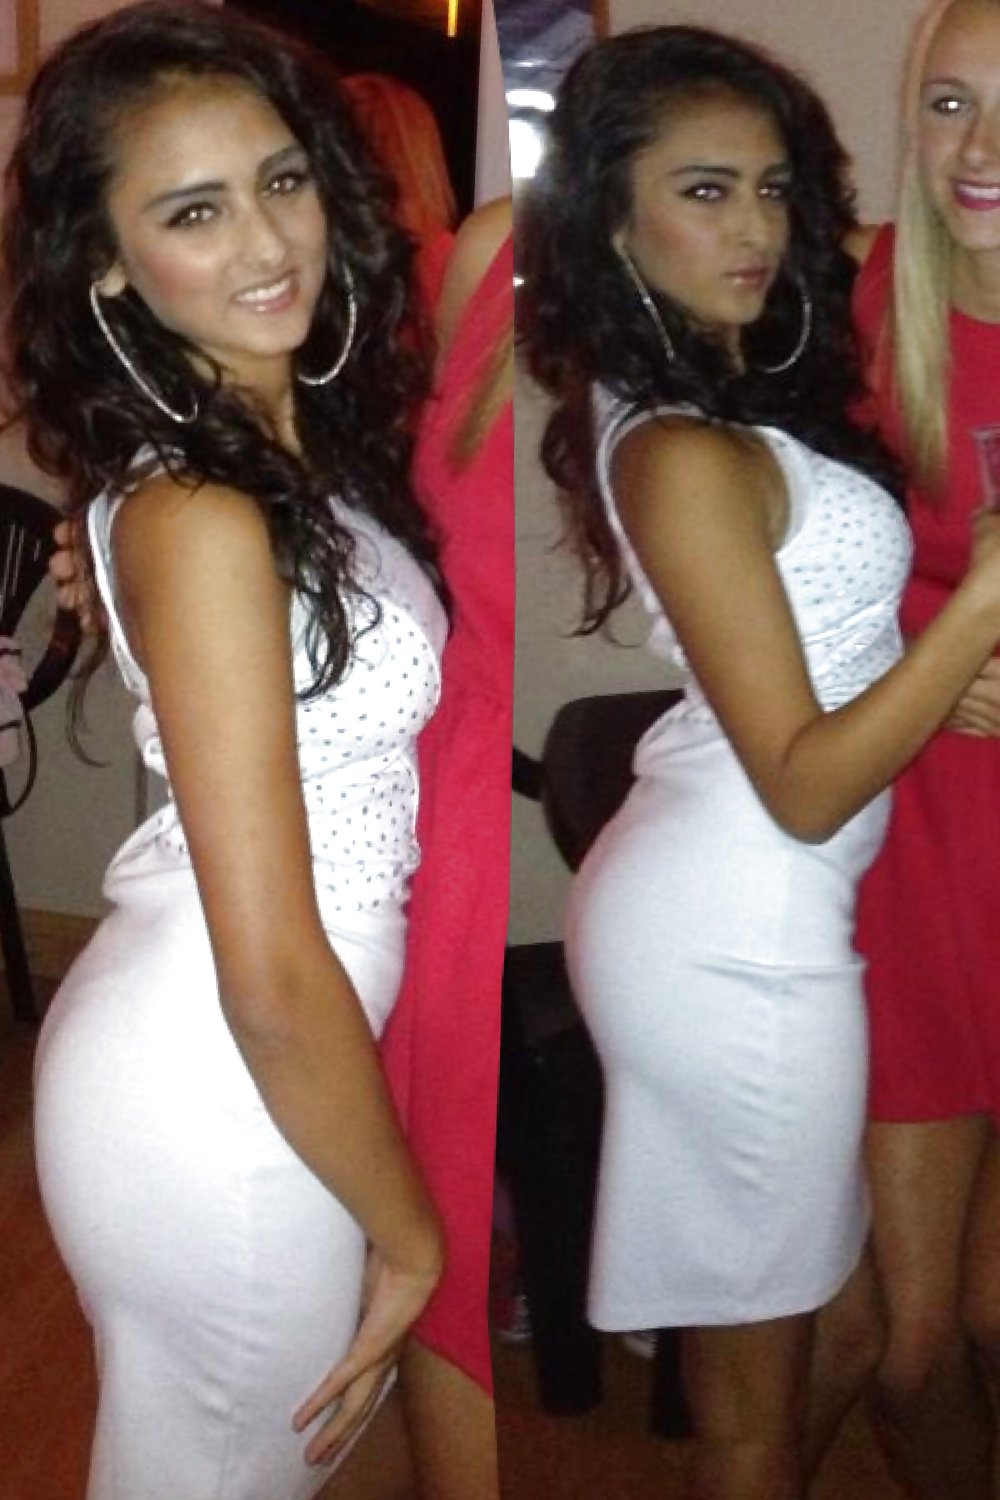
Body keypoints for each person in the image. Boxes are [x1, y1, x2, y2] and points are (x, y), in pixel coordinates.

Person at [518, 24, 1000, 1500]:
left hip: (762, 872)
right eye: (704, 191)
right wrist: (976, 615)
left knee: (817, 1334)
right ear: (611, 215)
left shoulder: (748, 359)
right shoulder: (702, 421)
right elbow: (804, 770)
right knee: (805, 1372)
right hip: (781, 902)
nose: (754, 229)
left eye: (772, 188)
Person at [1, 4, 453, 1496]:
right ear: (106, 260)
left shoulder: (278, 451)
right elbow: (266, 969)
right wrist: (411, 1230)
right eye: (194, 212)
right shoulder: (201, 505)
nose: (267, 243)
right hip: (225, 1079)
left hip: (258, 1057)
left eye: (282, 179)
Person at [806, 3, 1000, 1495]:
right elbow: (736, 569)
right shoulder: (848, 296)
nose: (979, 148)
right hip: (923, 839)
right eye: (949, 102)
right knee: (913, 1339)